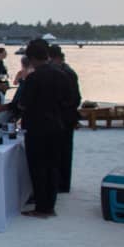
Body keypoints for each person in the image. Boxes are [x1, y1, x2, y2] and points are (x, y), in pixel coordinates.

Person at [15, 40, 72, 218]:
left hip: (37, 127)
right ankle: (50, 206)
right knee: (53, 167)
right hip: (57, 125)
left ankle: (42, 208)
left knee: (38, 168)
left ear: (31, 58)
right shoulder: (62, 74)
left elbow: (24, 104)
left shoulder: (34, 77)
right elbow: (68, 101)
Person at [49, 45, 81, 193]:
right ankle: (62, 183)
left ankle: (62, 184)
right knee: (63, 151)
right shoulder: (66, 71)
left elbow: (74, 98)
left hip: (65, 117)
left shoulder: (66, 73)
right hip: (66, 116)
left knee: (63, 151)